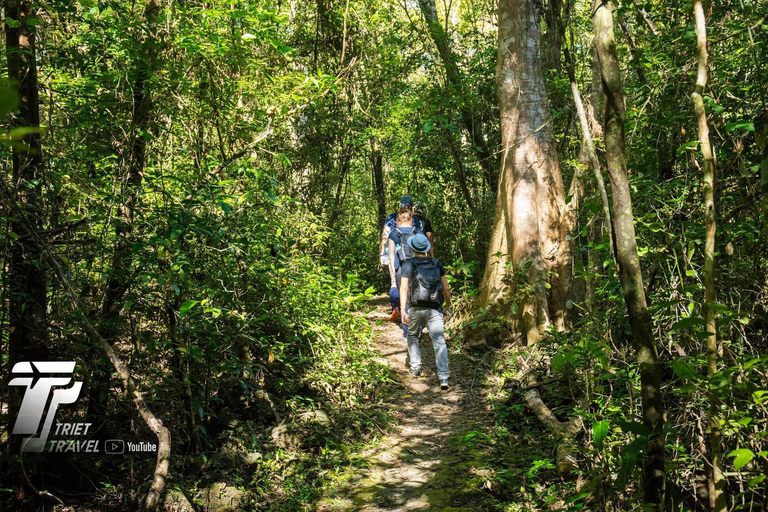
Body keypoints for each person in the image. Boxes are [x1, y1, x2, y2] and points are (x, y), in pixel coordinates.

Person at [399, 233, 452, 390]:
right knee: (439, 341)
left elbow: (404, 288)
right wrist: (447, 305)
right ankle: (443, 377)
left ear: (413, 248)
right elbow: (446, 288)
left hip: (416, 307)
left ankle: (415, 367)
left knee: (413, 335)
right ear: (426, 248)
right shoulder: (436, 263)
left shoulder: (409, 264)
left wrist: (403, 310)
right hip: (435, 308)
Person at [387, 205, 422, 331]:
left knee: (405, 298)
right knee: (417, 297)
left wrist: (393, 270)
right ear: (411, 218)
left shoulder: (394, 234)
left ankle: (407, 330)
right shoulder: (417, 231)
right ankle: (418, 328)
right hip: (416, 267)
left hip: (400, 269)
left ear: (398, 219)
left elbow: (391, 255)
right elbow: (424, 251)